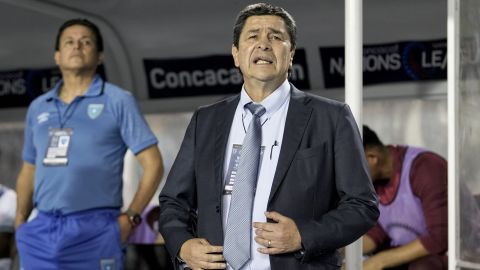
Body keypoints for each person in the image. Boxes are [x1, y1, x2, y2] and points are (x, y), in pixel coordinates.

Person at [159, 3, 379, 270]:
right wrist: (183, 245)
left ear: (291, 54)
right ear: (236, 55)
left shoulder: (331, 117)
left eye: (276, 37)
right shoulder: (206, 120)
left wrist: (303, 235)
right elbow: (173, 201)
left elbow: (361, 205)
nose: (263, 44)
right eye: (253, 36)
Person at [14, 18, 164, 270]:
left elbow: (154, 164)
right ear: (57, 56)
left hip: (97, 229)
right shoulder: (39, 107)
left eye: (86, 42)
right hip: (41, 231)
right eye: (69, 42)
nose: (77, 47)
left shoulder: (118, 101)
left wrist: (131, 217)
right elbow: (29, 169)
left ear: (100, 56)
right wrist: (20, 222)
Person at [361, 125, 447, 270]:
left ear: (372, 158)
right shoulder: (375, 183)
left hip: (449, 255)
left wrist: (380, 261)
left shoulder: (425, 167)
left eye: (349, 168)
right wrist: (340, 251)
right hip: (410, 255)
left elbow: (441, 237)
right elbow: (378, 231)